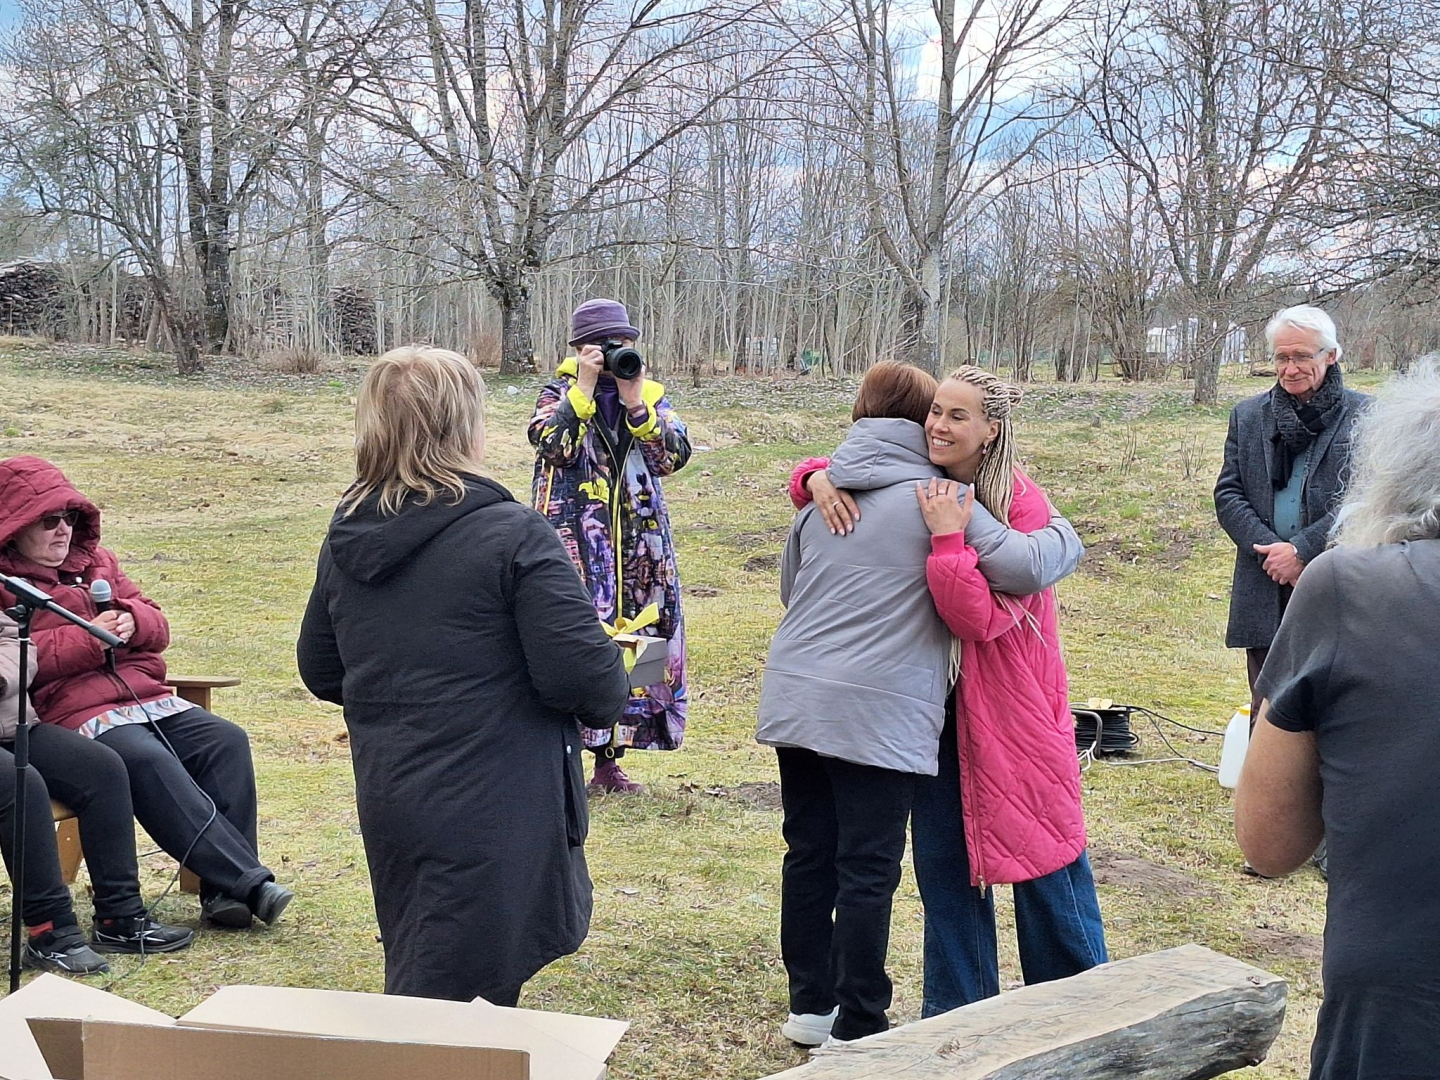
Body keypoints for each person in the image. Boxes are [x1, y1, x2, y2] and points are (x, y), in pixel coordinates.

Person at [759, 363, 1084, 1047]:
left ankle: (811, 1011)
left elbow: (795, 588)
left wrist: (822, 479)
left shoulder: (842, 495)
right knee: (890, 864)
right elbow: (1009, 580)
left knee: (813, 853)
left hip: (838, 699)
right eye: (934, 411)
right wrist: (1058, 529)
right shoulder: (920, 498)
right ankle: (885, 1017)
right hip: (894, 709)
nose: (939, 425)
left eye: (955, 415)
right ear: (914, 421)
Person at [298, 346, 630, 1005]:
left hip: (395, 792)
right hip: (493, 801)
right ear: (465, 427)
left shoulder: (350, 537)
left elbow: (323, 668)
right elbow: (590, 687)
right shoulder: (512, 536)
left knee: (432, 973)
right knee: (457, 1007)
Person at [1235, 360, 1440, 1080]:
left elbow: (1268, 842)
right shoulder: (1250, 416)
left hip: (1402, 1006)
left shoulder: (1357, 588)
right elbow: (1233, 487)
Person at [0, 456, 292, 931]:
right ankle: (248, 883)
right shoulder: (6, 587)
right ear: (14, 527)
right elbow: (16, 665)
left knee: (225, 741)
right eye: (49, 521)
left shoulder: (95, 563)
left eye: (69, 518)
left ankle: (223, 896)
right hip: (71, 711)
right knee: (144, 758)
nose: (63, 531)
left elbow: (158, 623)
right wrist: (89, 639)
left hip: (142, 695)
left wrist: (135, 621)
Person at [1215, 305, 1366, 879]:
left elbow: (1364, 499)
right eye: (1281, 356)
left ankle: (1333, 838)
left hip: (1335, 583)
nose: (1290, 367)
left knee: (1334, 705)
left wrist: (1302, 550)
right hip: (1265, 581)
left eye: (1302, 355)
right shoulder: (1249, 416)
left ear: (1331, 356)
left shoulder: (1364, 417)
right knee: (1269, 701)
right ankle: (1272, 836)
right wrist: (1269, 551)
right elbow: (1228, 493)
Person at [528, 298, 691, 794]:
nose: (613, 352)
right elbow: (552, 445)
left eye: (622, 343)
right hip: (576, 542)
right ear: (578, 349)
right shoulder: (556, 393)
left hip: (641, 548)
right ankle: (560, 756)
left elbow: (674, 456)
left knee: (642, 644)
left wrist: (637, 404)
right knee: (576, 640)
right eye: (601, 345)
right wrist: (581, 390)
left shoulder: (647, 395)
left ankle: (612, 757)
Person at [1, 613, 193, 969]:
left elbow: (15, 641)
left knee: (102, 769)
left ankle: (118, 918)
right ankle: (50, 931)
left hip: (12, 724)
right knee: (20, 782)